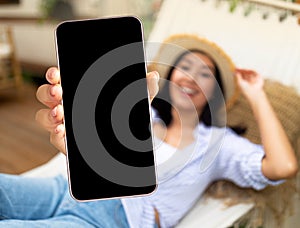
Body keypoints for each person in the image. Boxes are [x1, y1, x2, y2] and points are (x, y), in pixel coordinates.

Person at [1, 34, 298, 228]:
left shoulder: (218, 144)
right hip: (64, 189)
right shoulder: (143, 110)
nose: (192, 77)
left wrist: (256, 94)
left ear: (213, 92)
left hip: (111, 220)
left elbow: (283, 166)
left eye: (204, 73)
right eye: (185, 67)